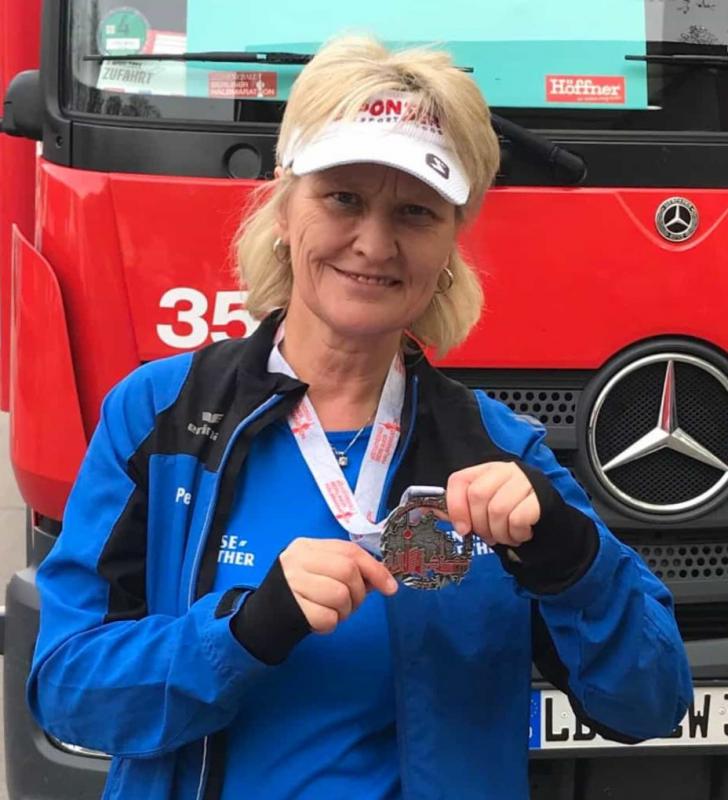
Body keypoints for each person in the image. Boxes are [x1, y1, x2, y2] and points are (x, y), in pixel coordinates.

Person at [27, 35, 692, 800]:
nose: (375, 244)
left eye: (414, 212)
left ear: (450, 244)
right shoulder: (161, 415)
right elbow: (67, 689)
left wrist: (570, 557)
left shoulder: (499, 452)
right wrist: (242, 631)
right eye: (343, 198)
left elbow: (650, 703)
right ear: (285, 204)